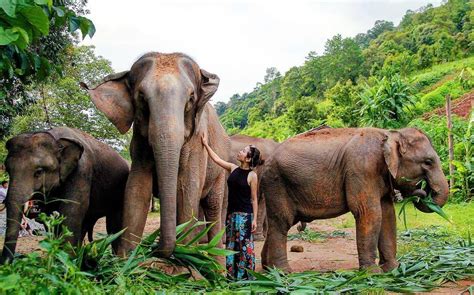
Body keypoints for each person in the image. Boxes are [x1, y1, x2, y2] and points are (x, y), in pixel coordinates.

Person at [201, 134, 264, 280]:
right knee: (231, 245)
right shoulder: (233, 168)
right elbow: (216, 159)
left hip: (245, 216)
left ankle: (246, 276)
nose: (240, 152)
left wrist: (254, 219)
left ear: (248, 159)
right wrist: (205, 144)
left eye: (243, 151)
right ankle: (232, 276)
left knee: (244, 246)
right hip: (232, 215)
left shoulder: (252, 176)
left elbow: (254, 199)